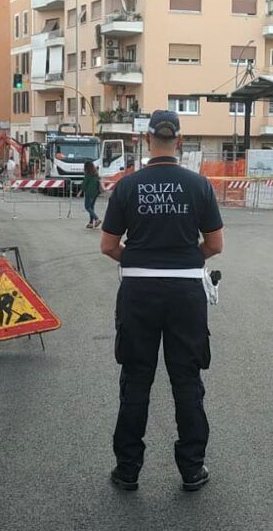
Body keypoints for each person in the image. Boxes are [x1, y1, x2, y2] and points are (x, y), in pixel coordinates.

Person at [100, 110, 224, 493]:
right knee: (186, 380)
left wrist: (140, 261)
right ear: (180, 141)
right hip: (186, 292)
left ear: (146, 140)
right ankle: (191, 469)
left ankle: (127, 470)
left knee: (136, 379)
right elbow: (215, 245)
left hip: (138, 292)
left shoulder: (127, 186)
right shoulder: (199, 185)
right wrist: (183, 261)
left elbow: (108, 245)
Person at [83, 161, 101, 229]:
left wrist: (80, 192)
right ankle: (90, 223)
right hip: (96, 192)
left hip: (89, 192)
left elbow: (84, 183)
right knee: (91, 207)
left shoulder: (88, 174)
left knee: (87, 207)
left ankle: (97, 219)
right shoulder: (96, 174)